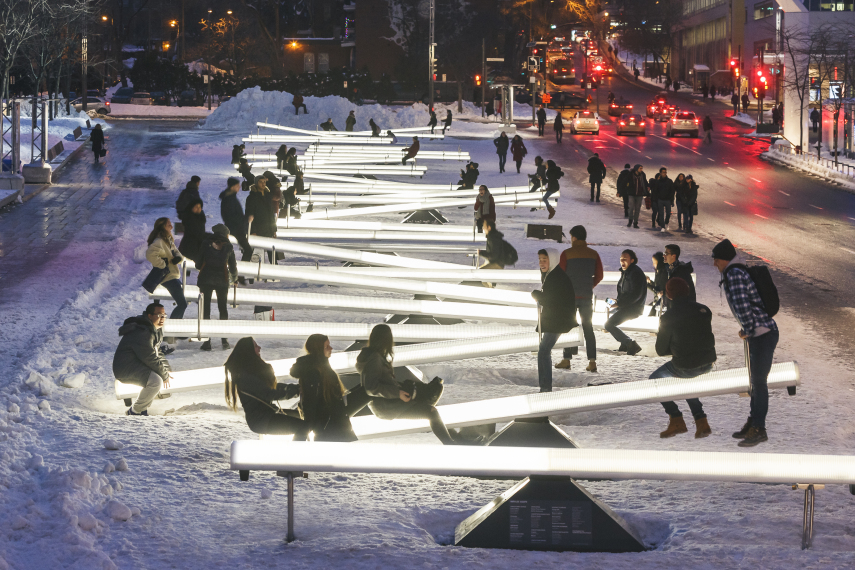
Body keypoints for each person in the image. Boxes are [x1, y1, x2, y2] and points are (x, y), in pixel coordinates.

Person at [712, 239, 779, 447]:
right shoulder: (735, 273)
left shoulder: (734, 275)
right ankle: (753, 422)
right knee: (755, 382)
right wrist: (747, 330)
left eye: (715, 260)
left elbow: (743, 306)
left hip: (762, 333)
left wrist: (748, 330)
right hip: (759, 332)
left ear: (724, 259)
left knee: (759, 382)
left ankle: (759, 428)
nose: (714, 264)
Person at [355, 325, 456, 444]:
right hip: (386, 406)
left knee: (429, 407)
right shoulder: (375, 359)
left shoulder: (373, 356)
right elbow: (371, 388)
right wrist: (398, 393)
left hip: (387, 403)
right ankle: (452, 444)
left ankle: (456, 441)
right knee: (431, 412)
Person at [652, 277, 716, 439]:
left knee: (654, 380)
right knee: (686, 378)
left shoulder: (668, 317)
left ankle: (676, 418)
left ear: (669, 295)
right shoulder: (704, 310)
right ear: (687, 291)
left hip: (686, 365)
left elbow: (660, 350)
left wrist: (675, 347)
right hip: (708, 362)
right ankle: (701, 420)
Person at [290, 334, 370, 442]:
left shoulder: (322, 367)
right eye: (326, 346)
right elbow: (310, 403)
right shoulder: (313, 373)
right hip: (331, 427)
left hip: (335, 422)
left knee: (370, 390)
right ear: (318, 349)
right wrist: (302, 434)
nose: (331, 348)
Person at [224, 338, 307, 436]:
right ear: (249, 351)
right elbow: (269, 393)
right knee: (303, 427)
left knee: (304, 418)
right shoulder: (246, 377)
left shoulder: (250, 372)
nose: (259, 348)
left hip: (266, 415)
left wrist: (297, 389)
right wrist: (297, 391)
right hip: (262, 420)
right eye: (255, 346)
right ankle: (296, 451)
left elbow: (273, 387)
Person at [556, 226, 602, 372]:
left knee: (568, 326)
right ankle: (592, 361)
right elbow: (599, 275)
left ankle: (567, 359)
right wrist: (589, 286)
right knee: (588, 328)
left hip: (570, 297)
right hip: (587, 296)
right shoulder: (594, 254)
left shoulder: (567, 253)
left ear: (574, 237)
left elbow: (561, 275)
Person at [113, 303, 172, 416]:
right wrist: (164, 374)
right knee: (156, 381)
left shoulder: (154, 329)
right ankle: (135, 411)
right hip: (126, 368)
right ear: (150, 316)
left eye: (164, 315)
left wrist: (166, 369)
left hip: (137, 364)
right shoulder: (143, 332)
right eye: (159, 315)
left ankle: (142, 408)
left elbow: (157, 351)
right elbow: (149, 356)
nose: (162, 318)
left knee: (157, 377)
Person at [532, 249, 578, 392]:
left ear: (552, 260)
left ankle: (545, 388)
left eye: (544, 259)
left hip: (559, 319)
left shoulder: (556, 277)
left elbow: (550, 299)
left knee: (544, 351)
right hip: (557, 318)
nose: (541, 263)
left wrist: (536, 294)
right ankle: (545, 387)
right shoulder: (551, 274)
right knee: (544, 351)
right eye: (540, 259)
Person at [196, 224, 237, 351]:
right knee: (222, 308)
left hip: (205, 280)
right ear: (225, 234)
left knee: (205, 309)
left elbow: (198, 263)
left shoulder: (205, 243)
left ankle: (207, 342)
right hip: (222, 280)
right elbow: (233, 266)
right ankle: (224, 341)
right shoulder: (228, 246)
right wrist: (234, 278)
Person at [604, 249, 646, 355]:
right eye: (621, 259)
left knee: (609, 324)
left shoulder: (635, 273)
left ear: (632, 260)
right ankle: (624, 344)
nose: (622, 261)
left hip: (633, 308)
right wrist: (617, 301)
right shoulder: (626, 272)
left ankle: (630, 343)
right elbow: (625, 292)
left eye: (625, 259)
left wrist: (619, 303)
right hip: (626, 306)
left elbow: (636, 294)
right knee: (610, 321)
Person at [145, 218, 187, 320]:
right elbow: (150, 254)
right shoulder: (159, 241)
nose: (172, 227)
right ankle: (174, 327)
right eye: (169, 225)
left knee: (181, 303)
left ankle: (161, 324)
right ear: (163, 227)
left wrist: (177, 259)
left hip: (171, 275)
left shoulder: (168, 240)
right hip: (168, 276)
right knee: (182, 304)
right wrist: (163, 264)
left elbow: (177, 254)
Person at [220, 177, 252, 267]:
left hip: (235, 228)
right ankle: (240, 272)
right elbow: (232, 216)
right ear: (232, 187)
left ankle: (238, 272)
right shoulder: (229, 199)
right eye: (237, 186)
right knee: (248, 250)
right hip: (235, 228)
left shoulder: (230, 197)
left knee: (236, 251)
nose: (239, 187)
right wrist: (246, 219)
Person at [245, 177, 277, 263]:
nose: (263, 184)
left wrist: (274, 229)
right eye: (260, 182)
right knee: (252, 252)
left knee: (272, 252)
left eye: (264, 182)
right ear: (256, 183)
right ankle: (244, 270)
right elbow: (249, 214)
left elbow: (271, 214)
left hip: (268, 229)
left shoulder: (268, 196)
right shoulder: (252, 197)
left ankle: (275, 270)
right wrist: (253, 230)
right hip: (258, 229)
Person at [664, 244, 696, 308]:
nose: (664, 255)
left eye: (666, 253)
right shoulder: (673, 268)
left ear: (673, 256)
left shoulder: (680, 271)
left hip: (681, 308)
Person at [177, 198, 206, 264]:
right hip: (190, 246)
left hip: (198, 243)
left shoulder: (200, 216)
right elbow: (195, 233)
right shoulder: (190, 218)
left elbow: (200, 233)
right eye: (196, 207)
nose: (198, 209)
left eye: (200, 207)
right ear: (191, 208)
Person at [646, 251, 668, 316]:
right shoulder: (658, 272)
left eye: (654, 262)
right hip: (658, 301)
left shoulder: (664, 273)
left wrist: (664, 292)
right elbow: (656, 289)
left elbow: (659, 289)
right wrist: (649, 282)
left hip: (662, 302)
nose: (653, 264)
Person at [627, 164, 647, 228]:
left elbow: (645, 182)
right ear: (636, 169)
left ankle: (635, 222)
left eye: (642, 168)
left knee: (637, 209)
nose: (641, 170)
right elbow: (625, 182)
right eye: (640, 168)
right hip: (631, 194)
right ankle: (630, 220)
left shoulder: (642, 175)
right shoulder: (630, 175)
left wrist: (647, 189)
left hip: (639, 194)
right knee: (631, 208)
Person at [656, 167, 674, 232]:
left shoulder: (669, 181)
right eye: (663, 172)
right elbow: (656, 191)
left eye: (665, 172)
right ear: (660, 173)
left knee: (668, 213)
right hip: (660, 200)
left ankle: (666, 222)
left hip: (667, 200)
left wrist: (672, 200)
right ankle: (662, 226)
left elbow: (672, 191)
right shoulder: (658, 182)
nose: (665, 173)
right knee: (661, 213)